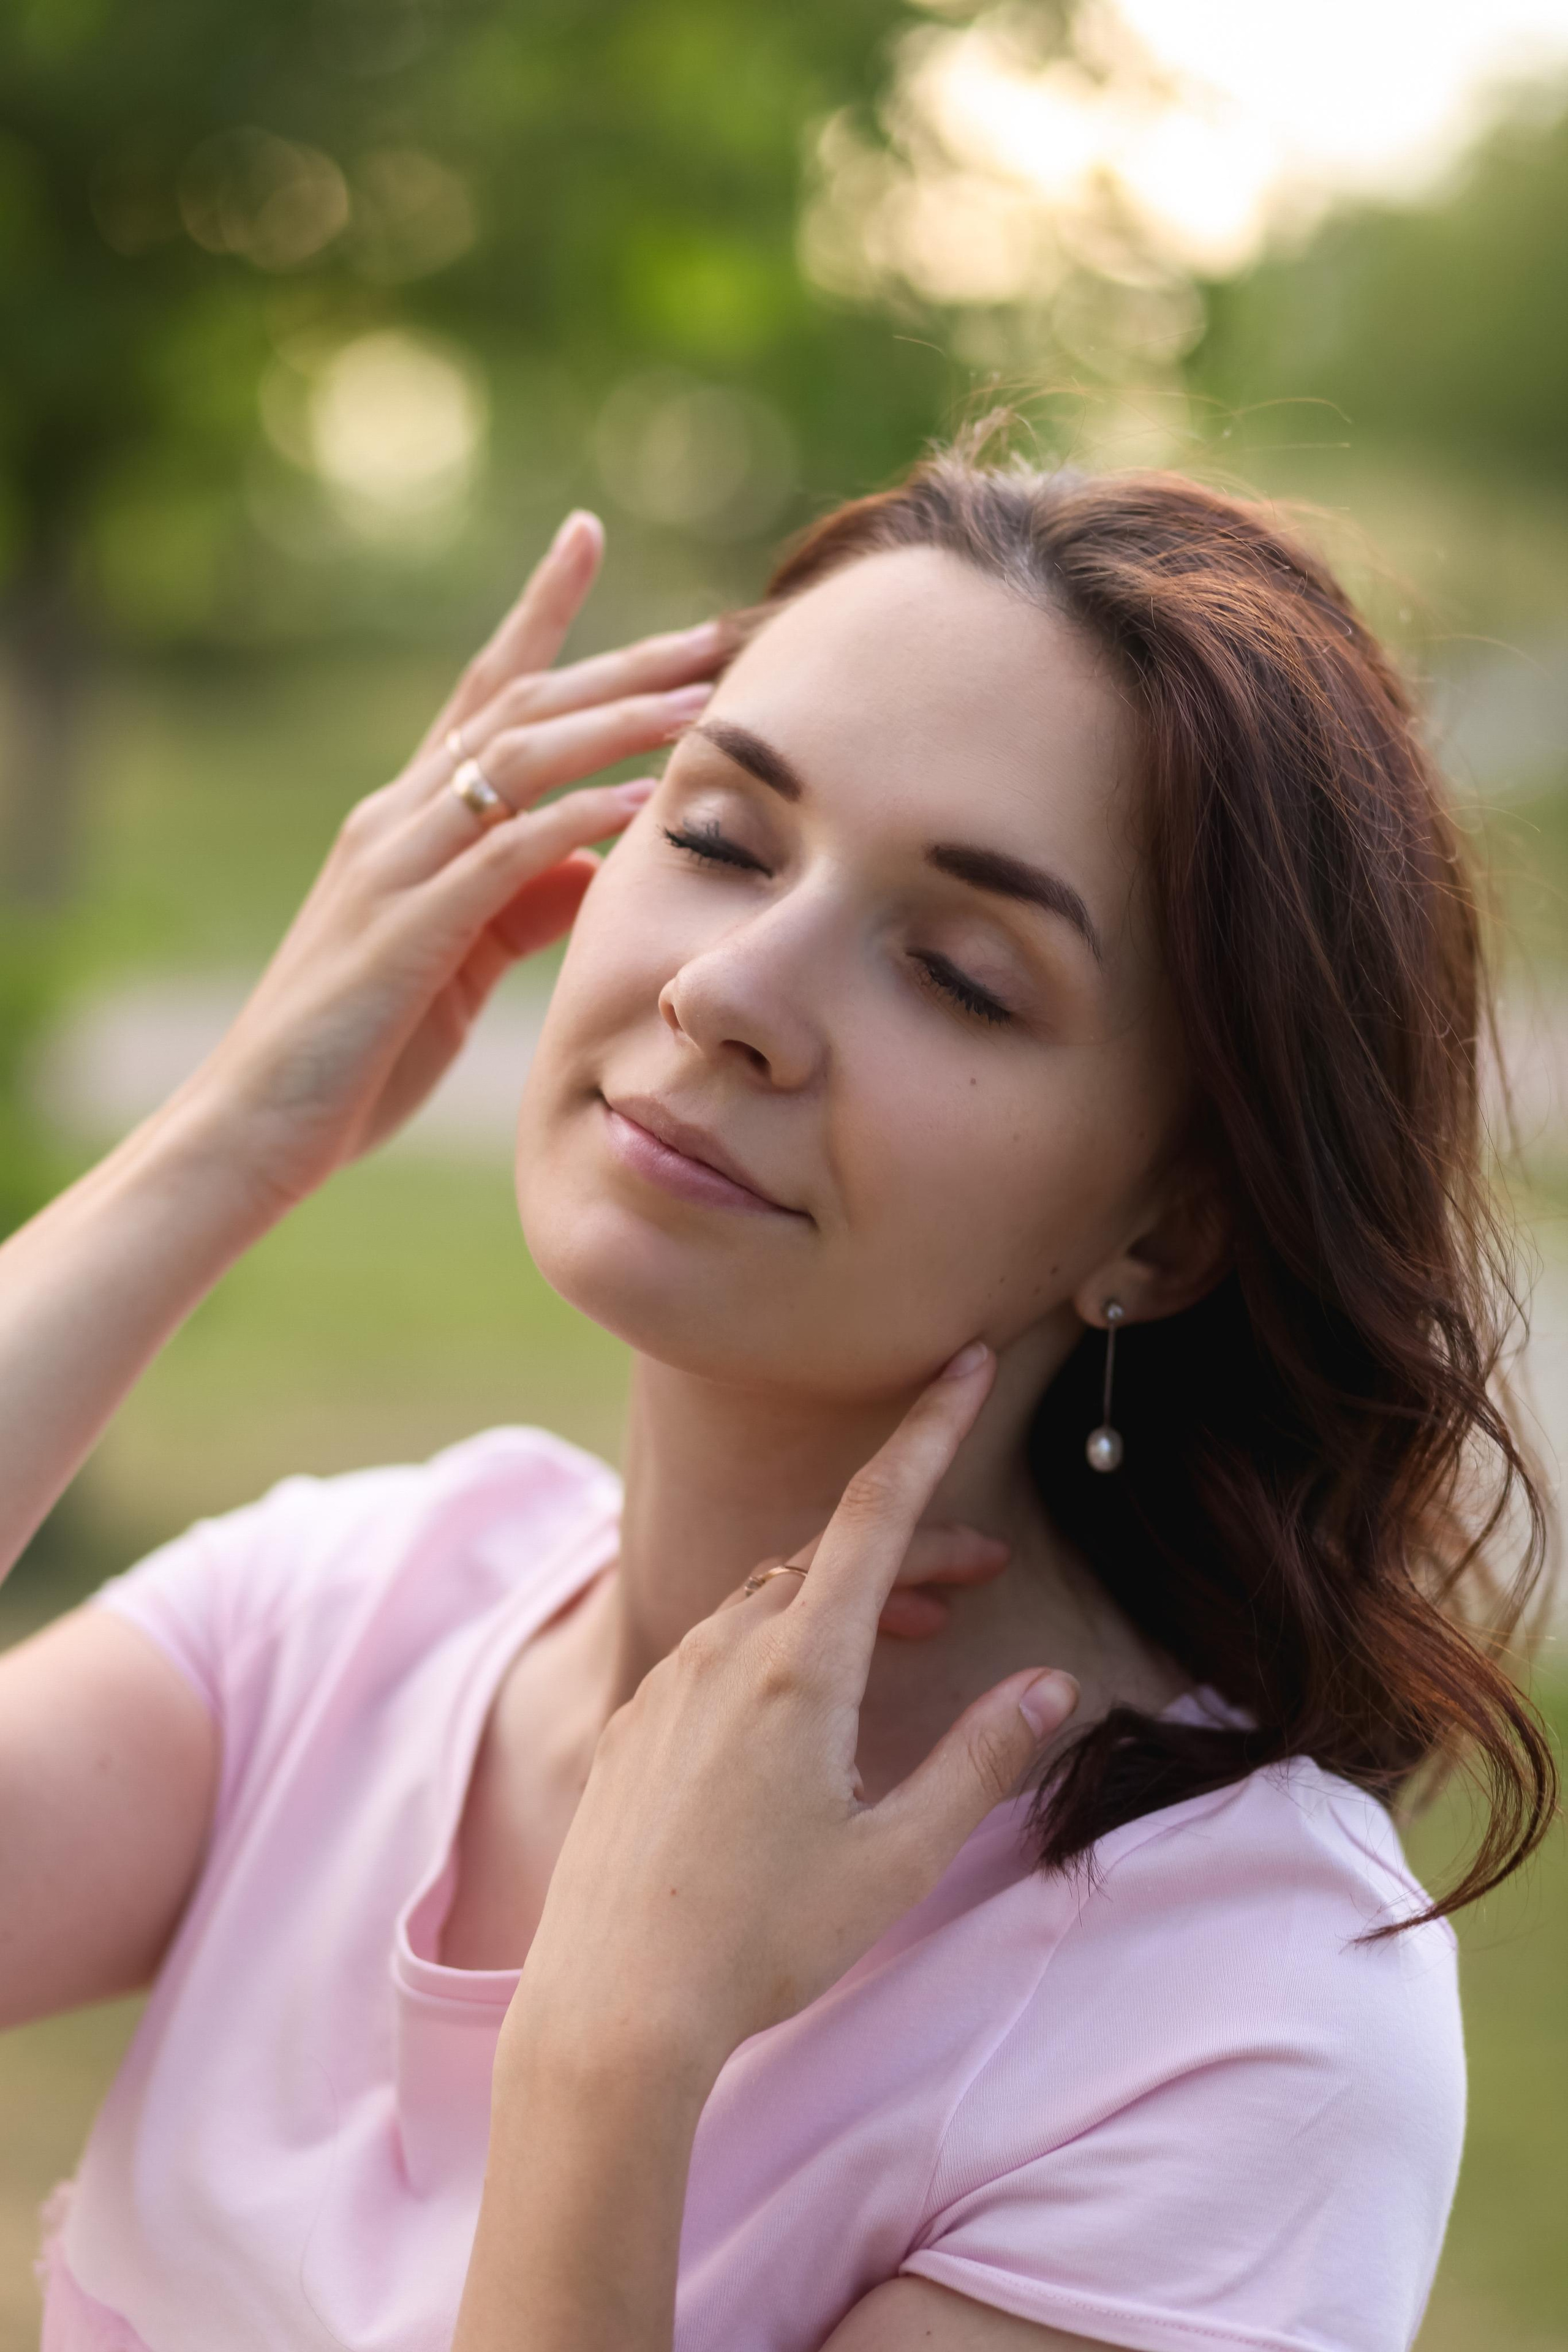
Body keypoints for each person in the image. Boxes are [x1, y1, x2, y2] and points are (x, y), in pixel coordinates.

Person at [0, 443, 1555, 2352]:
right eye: (722, 836)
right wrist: (232, 1137)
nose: (731, 985)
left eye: (963, 973)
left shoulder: (1233, 2010)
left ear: (1170, 1225)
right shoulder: (355, 1613)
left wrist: (613, 2057)